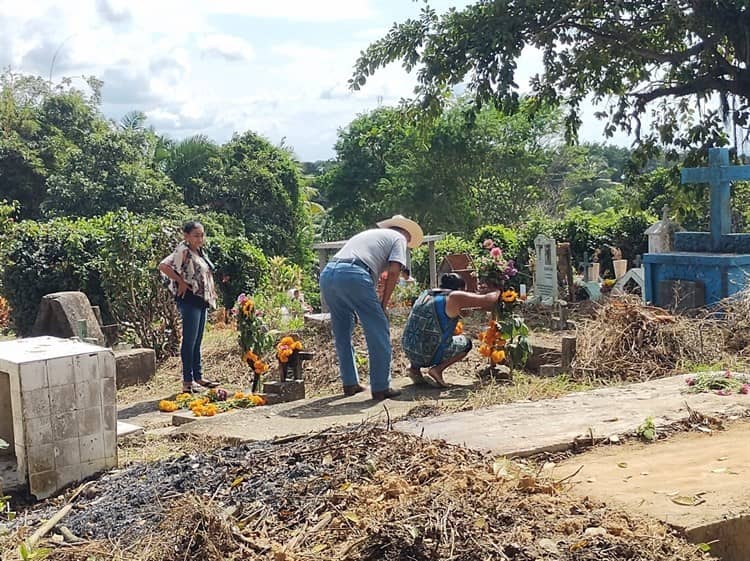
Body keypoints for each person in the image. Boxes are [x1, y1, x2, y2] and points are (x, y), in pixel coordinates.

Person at [320, 214, 423, 400]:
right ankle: (381, 386)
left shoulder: (370, 235)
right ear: (406, 234)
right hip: (354, 274)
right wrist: (383, 305)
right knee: (378, 328)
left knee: (342, 330)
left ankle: (350, 382)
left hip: (328, 274)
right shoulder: (399, 239)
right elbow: (393, 272)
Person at [402, 273, 502, 388]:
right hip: (427, 353)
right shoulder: (454, 296)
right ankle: (437, 370)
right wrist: (497, 289)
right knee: (467, 343)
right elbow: (488, 300)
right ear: (459, 289)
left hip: (409, 349)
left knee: (425, 333)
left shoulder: (427, 293)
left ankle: (414, 368)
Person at [159, 221, 220, 393]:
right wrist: (180, 282)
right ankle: (187, 380)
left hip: (202, 300)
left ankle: (198, 376)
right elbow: (163, 266)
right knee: (189, 341)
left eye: (202, 235)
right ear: (186, 236)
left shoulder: (199, 251)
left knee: (197, 341)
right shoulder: (183, 251)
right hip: (190, 300)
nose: (200, 239)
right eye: (196, 235)